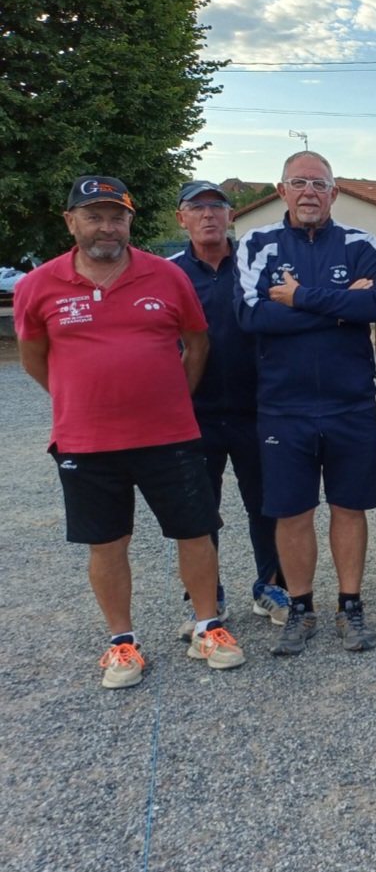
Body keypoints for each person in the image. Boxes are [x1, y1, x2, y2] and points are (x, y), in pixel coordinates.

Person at [15, 176, 244, 688]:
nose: (106, 227)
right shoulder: (39, 285)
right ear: (70, 221)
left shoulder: (166, 276)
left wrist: (173, 398)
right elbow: (34, 357)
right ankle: (122, 642)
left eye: (116, 216)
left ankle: (208, 626)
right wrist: (79, 397)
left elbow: (197, 344)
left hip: (170, 436)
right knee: (107, 542)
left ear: (130, 222)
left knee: (196, 531)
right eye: (93, 216)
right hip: (86, 442)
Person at [235, 151, 376, 655]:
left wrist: (299, 297)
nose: (309, 192)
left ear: (334, 193)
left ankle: (351, 605)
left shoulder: (362, 243)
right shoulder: (256, 244)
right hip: (285, 407)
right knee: (293, 512)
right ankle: (300, 609)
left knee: (349, 508)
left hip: (350, 405)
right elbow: (251, 317)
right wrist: (338, 307)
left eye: (319, 184)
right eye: (298, 182)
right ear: (281, 190)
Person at [168, 181, 286, 637]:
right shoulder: (170, 273)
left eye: (216, 207)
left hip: (257, 408)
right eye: (196, 209)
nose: (208, 215)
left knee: (266, 503)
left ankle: (270, 584)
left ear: (231, 215)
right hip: (193, 412)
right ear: (182, 219)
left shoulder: (255, 264)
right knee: (200, 509)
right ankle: (207, 594)